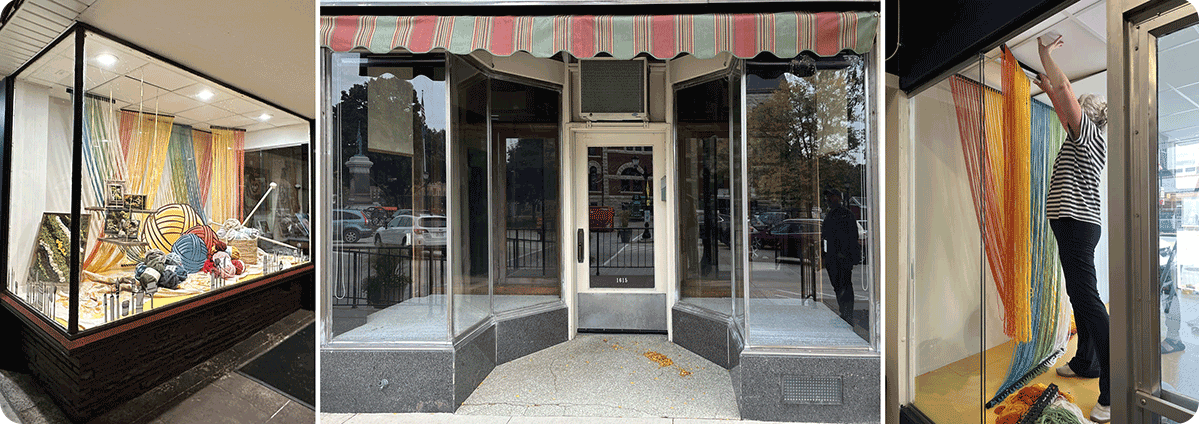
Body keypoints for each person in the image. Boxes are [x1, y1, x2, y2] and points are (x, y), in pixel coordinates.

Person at [1032, 34, 1111, 422]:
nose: (1068, 115)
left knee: (1090, 303)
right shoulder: (1083, 139)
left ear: (1086, 116)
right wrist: (1049, 89)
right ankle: (1086, 362)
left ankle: (1112, 391)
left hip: (1078, 227)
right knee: (1081, 299)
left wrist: (1045, 56)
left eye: (1074, 112)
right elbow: (1062, 100)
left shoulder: (1089, 136)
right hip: (1076, 227)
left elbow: (1066, 92)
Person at [821, 188, 860, 325]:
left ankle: (847, 314)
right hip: (833, 257)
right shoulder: (831, 214)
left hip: (842, 258)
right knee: (838, 286)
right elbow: (825, 236)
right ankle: (844, 312)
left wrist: (849, 256)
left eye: (831, 197)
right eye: (828, 198)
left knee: (845, 286)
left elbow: (852, 237)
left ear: (838, 198)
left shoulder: (845, 215)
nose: (828, 200)